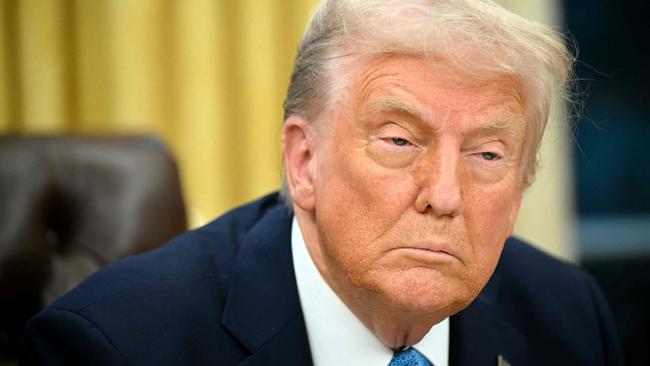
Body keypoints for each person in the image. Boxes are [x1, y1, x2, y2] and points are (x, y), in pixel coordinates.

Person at [21, 0, 622, 365]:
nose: (445, 194)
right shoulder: (117, 345)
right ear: (305, 162)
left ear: (520, 189)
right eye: (399, 141)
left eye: (488, 155)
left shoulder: (566, 318)